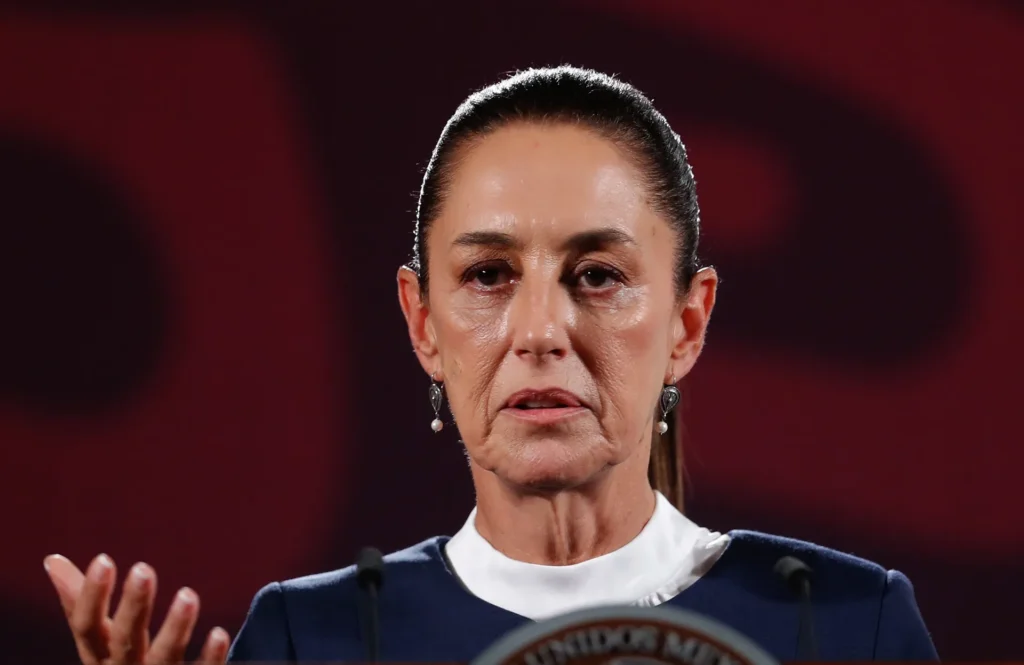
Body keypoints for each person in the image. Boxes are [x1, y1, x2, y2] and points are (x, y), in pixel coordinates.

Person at [42, 66, 939, 663]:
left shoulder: (848, 626)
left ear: (687, 322)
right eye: (488, 275)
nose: (540, 328)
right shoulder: (308, 639)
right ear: (423, 321)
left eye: (597, 275)